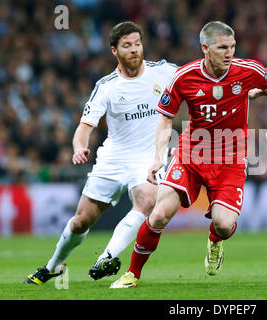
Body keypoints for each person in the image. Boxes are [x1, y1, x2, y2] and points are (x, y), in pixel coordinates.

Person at [110, 21, 267, 288]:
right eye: (222, 48)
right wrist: (159, 157)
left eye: (232, 47)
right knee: (159, 215)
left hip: (230, 158)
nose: (229, 53)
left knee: (224, 224)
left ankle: (215, 240)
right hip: (191, 155)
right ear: (205, 48)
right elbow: (166, 119)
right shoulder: (184, 76)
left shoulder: (246, 70)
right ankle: (132, 274)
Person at [24, 21, 178, 285]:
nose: (134, 50)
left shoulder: (164, 72)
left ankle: (106, 257)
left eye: (137, 44)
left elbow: (200, 79)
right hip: (113, 158)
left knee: (147, 202)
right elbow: (84, 128)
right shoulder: (107, 86)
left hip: (148, 156)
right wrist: (78, 147)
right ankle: (53, 266)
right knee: (81, 221)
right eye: (127, 45)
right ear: (114, 51)